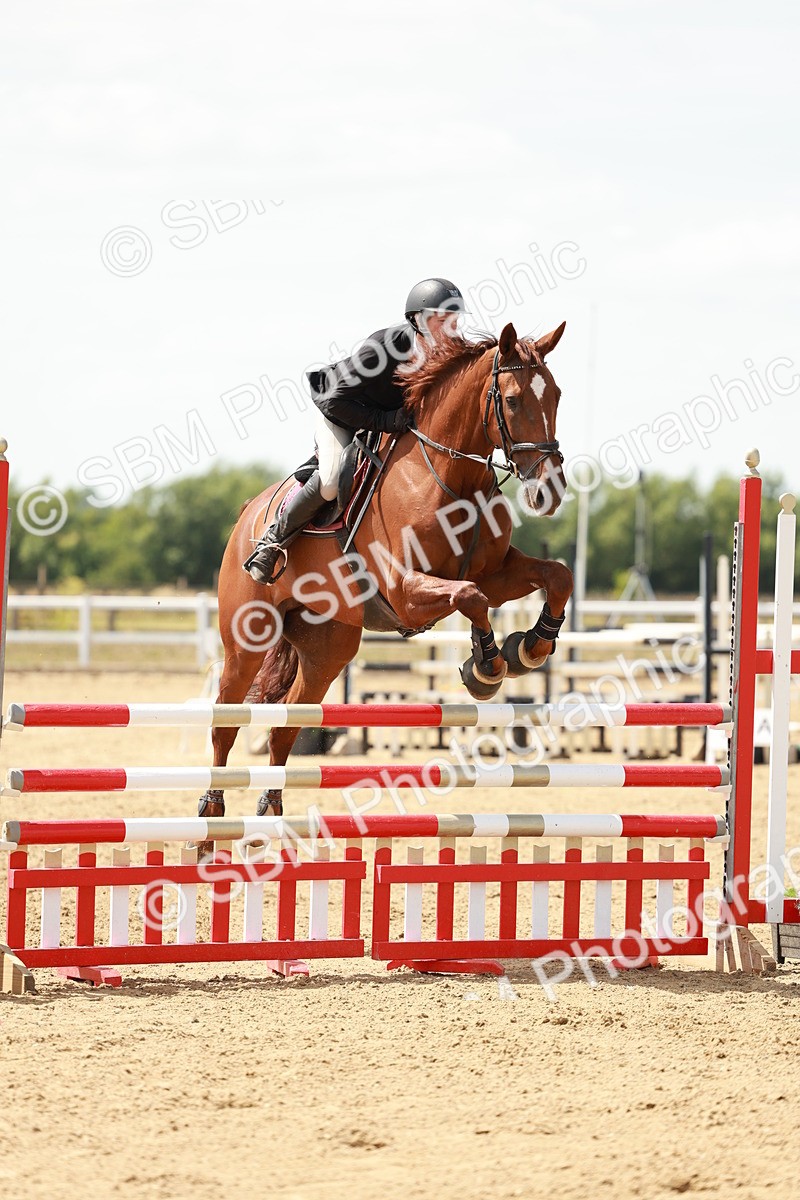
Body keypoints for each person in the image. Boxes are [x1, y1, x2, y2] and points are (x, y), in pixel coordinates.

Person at [244, 277, 466, 584]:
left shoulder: (453, 352)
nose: (451, 330)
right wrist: (387, 421)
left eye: (455, 321)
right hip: (342, 412)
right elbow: (335, 400)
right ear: (418, 320)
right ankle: (272, 541)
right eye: (442, 321)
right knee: (331, 481)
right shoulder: (385, 347)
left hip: (392, 420)